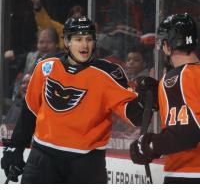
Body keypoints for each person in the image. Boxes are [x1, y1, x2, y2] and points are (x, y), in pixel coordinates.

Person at [1, 16, 158, 184]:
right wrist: (16, 147)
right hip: (42, 159)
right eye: (78, 39)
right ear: (67, 42)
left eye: (89, 39)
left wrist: (145, 100)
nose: (85, 45)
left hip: (86, 164)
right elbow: (30, 110)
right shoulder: (46, 65)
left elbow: (134, 117)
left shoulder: (108, 73)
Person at [130, 13, 200, 184]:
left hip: (189, 173)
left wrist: (149, 146)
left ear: (167, 45)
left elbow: (187, 134)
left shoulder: (177, 78)